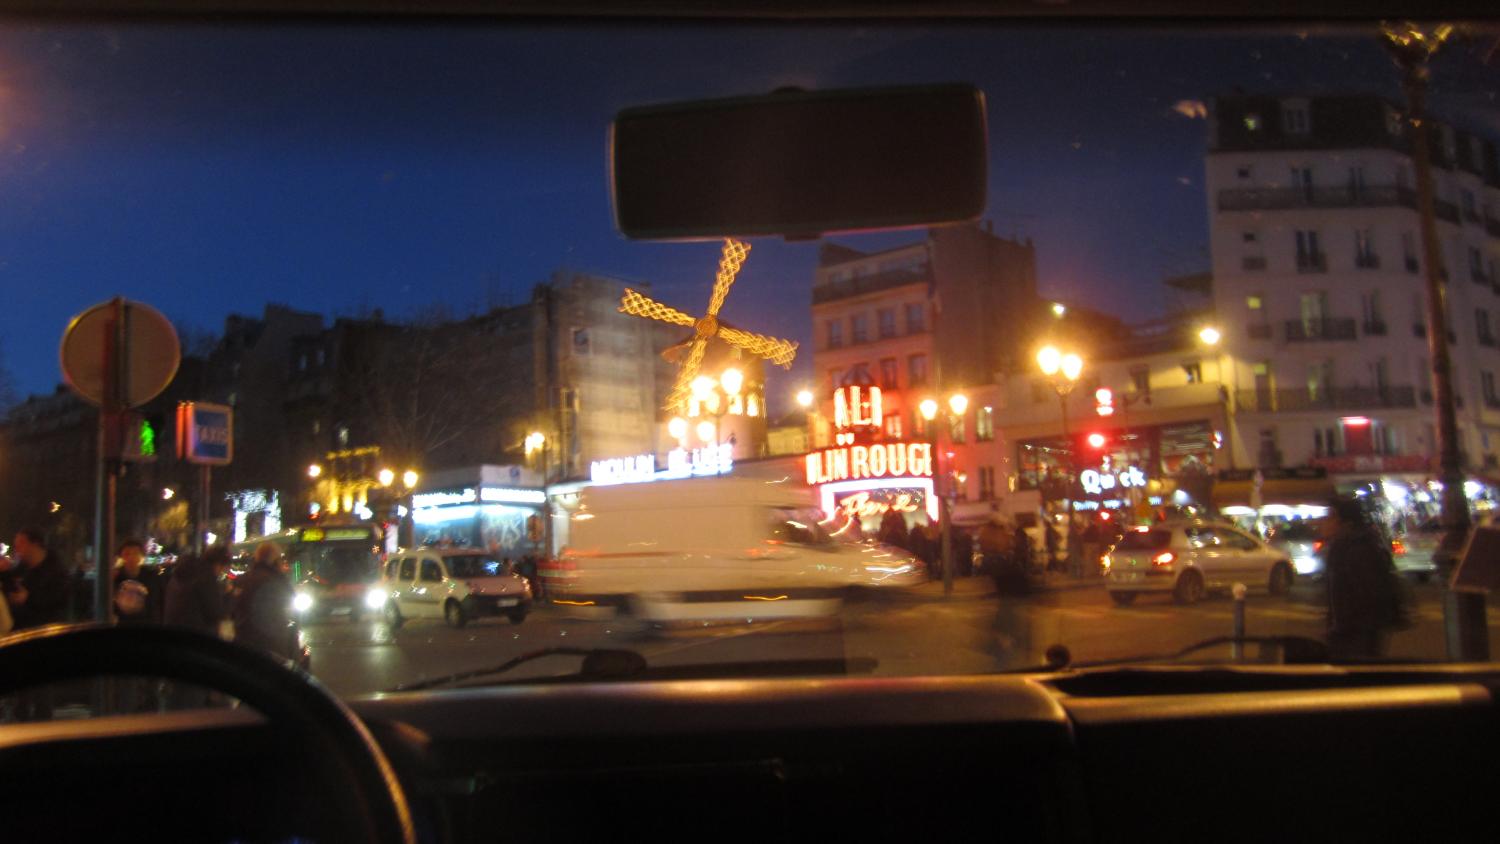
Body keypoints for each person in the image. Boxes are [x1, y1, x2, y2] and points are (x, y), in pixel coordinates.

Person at [1322, 496, 1399, 661]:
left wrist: (1342, 626)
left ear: (1346, 523)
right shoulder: (1349, 545)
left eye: (1331, 517)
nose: (1325, 522)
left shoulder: (1355, 548)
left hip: (1357, 630)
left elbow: (1367, 592)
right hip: (1354, 628)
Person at [232, 541, 297, 660]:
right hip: (274, 644)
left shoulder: (242, 580)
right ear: (276, 561)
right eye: (280, 559)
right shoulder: (278, 581)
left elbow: (232, 610)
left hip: (245, 642)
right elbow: (291, 603)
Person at [4, 528, 70, 630]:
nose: (16, 549)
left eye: (21, 543)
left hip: (43, 631)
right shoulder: (22, 568)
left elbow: (56, 602)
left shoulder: (56, 571)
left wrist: (28, 599)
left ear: (35, 544)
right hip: (19, 628)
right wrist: (5, 572)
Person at [165, 546, 230, 637]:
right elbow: (215, 612)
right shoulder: (207, 577)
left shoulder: (183, 571)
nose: (221, 572)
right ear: (218, 564)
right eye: (222, 568)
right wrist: (229, 595)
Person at [112, 538, 162, 625]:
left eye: (135, 553)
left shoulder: (150, 576)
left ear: (141, 556)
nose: (131, 557)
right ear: (122, 556)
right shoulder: (116, 577)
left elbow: (156, 602)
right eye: (127, 553)